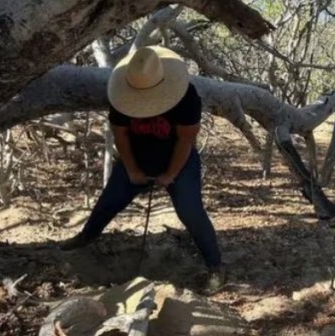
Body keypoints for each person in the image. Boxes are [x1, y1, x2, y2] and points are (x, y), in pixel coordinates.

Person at [60, 46, 223, 289]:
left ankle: (215, 267)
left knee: (191, 211)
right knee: (109, 201)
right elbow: (121, 136)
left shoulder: (187, 97)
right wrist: (133, 170)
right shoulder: (121, 96)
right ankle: (86, 238)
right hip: (136, 157)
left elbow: (185, 141)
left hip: (178, 159)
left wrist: (170, 175)